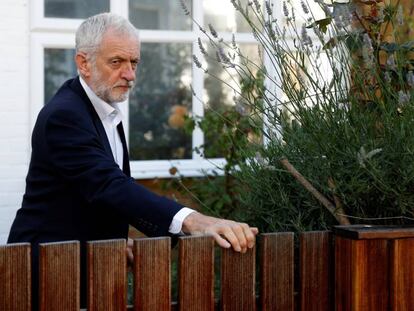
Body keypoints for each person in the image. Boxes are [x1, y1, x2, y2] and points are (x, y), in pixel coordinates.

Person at [7, 12, 258, 308]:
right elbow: (107, 184)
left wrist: (113, 235)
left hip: (86, 264)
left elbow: (95, 190)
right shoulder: (65, 115)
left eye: (134, 62)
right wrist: (194, 221)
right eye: (117, 62)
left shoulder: (103, 108)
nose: (130, 74)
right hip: (47, 272)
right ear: (83, 63)